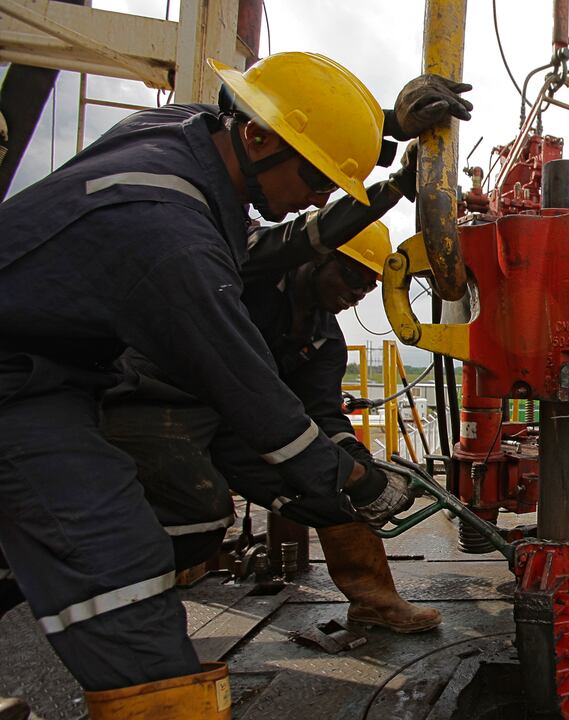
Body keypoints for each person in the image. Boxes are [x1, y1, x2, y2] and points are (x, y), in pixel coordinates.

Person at [0, 51, 464, 716]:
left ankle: (374, 596)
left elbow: (312, 406)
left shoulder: (181, 133)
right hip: (102, 392)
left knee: (322, 491)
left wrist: (385, 125)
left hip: (93, 384)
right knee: (127, 561)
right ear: (256, 137)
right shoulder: (178, 238)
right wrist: (361, 480)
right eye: (318, 175)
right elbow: (254, 390)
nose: (322, 193)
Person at [102, 220, 443, 634]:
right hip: (166, 398)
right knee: (196, 514)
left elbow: (324, 412)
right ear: (316, 258)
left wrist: (361, 471)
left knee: (332, 498)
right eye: (352, 276)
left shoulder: (324, 342)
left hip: (245, 426)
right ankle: (124, 618)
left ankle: (375, 602)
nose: (356, 294)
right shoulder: (246, 282)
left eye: (368, 286)